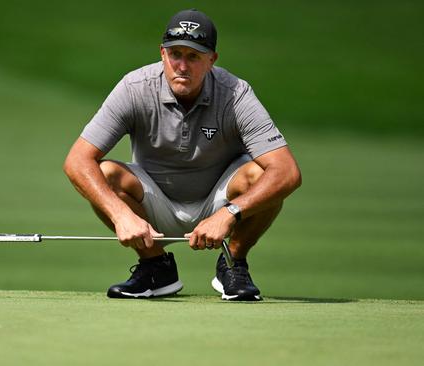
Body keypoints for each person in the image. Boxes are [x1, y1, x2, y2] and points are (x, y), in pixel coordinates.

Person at [63, 9, 301, 301]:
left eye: (194, 56)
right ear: (162, 53)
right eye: (175, 54)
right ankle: (155, 267)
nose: (182, 66)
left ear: (212, 60)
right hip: (155, 200)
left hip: (221, 200)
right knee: (106, 174)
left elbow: (287, 172)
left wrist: (230, 213)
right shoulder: (135, 88)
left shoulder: (235, 93)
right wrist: (121, 215)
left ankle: (233, 263)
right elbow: (77, 160)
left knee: (263, 175)